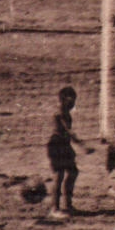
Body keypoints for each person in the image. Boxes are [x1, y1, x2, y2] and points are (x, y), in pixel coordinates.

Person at [46, 86, 90, 219]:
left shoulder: (66, 113)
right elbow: (68, 131)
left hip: (65, 145)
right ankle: (54, 209)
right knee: (59, 176)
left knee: (73, 172)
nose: (74, 104)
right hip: (57, 145)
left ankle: (68, 205)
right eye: (72, 100)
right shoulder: (60, 113)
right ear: (64, 99)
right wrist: (82, 145)